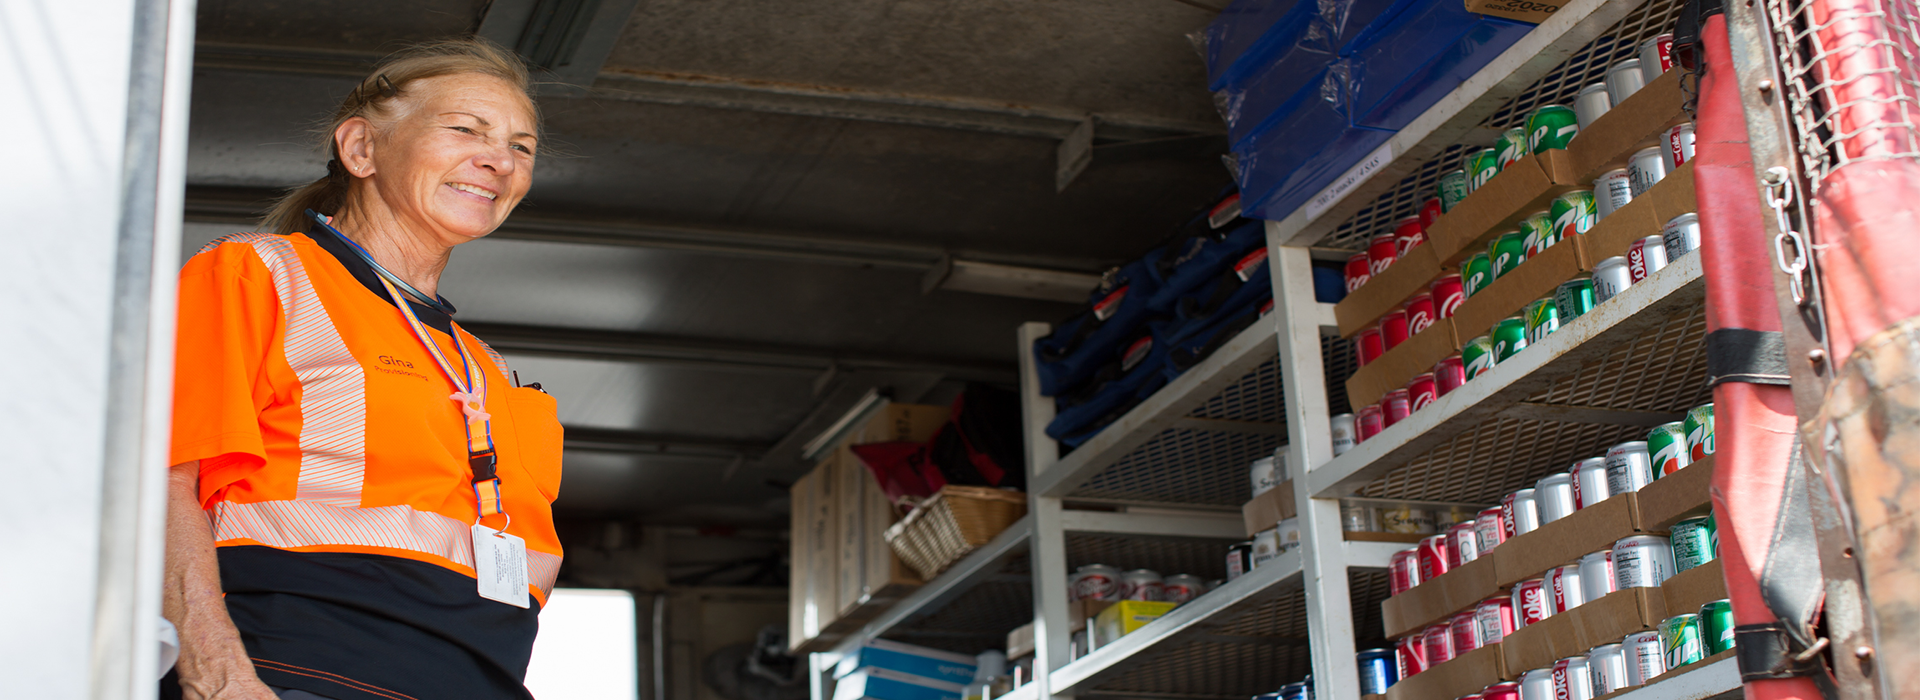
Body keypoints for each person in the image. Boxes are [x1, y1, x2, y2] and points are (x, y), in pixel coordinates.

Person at [163, 39, 564, 700]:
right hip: (299, 672)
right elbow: (161, 481)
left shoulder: (483, 364)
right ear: (361, 150)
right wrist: (218, 675)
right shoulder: (259, 274)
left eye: (521, 146)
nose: (498, 159)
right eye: (466, 129)